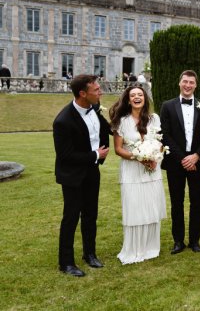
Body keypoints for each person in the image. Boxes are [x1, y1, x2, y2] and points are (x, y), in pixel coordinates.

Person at [52, 75, 110, 277]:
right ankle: (66, 262)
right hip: (72, 175)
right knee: (71, 217)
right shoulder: (63, 121)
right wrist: (96, 154)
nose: (100, 92)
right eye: (96, 90)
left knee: (91, 214)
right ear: (83, 94)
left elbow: (104, 128)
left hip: (92, 171)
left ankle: (90, 254)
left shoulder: (94, 107)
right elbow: (65, 155)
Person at [109, 85, 167, 264]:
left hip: (152, 170)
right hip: (132, 171)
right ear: (128, 99)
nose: (136, 97)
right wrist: (139, 157)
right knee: (135, 208)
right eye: (133, 95)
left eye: (140, 95)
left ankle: (150, 247)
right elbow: (118, 150)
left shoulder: (154, 118)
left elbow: (158, 142)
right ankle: (134, 249)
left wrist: (155, 157)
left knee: (151, 207)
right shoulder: (122, 121)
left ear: (145, 98)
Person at [160, 70, 200, 254]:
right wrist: (182, 157)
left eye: (191, 82)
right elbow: (165, 135)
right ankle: (178, 241)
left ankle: (195, 241)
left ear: (196, 85)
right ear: (179, 83)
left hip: (198, 161)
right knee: (177, 202)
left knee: (196, 202)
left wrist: (196, 155)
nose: (188, 85)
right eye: (185, 82)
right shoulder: (167, 106)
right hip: (176, 162)